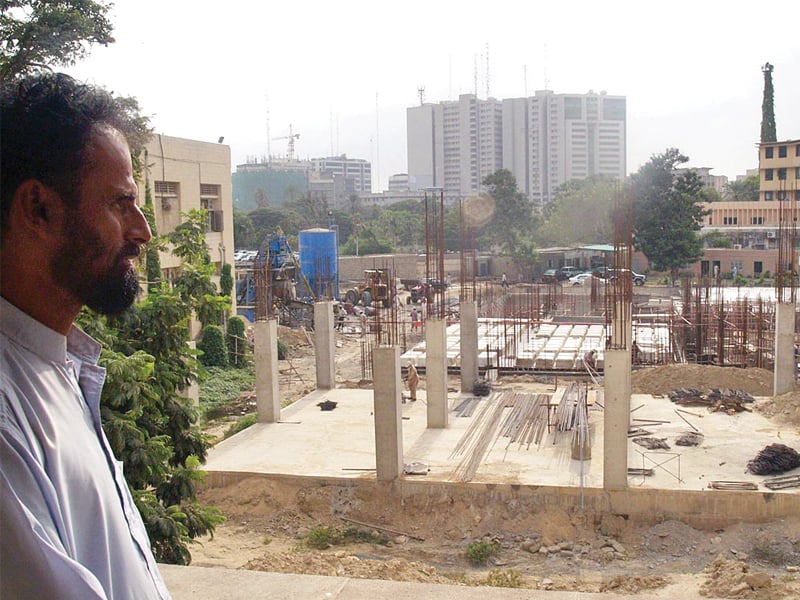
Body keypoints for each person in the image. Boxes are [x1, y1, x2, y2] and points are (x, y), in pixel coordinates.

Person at [1, 73, 170, 599]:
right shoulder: (8, 412)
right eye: (120, 204)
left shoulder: (57, 364)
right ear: (38, 209)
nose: (142, 230)